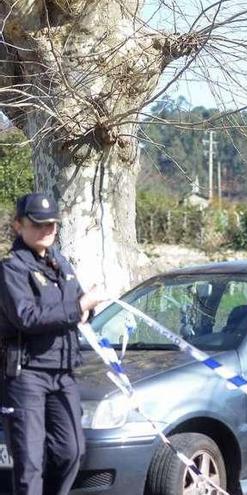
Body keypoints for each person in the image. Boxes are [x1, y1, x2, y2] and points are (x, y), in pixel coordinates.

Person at [0, 193, 106, 495]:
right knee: (30, 463)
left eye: (53, 225)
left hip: (63, 371)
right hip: (26, 375)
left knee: (71, 451)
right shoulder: (11, 269)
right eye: (39, 224)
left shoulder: (61, 263)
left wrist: (88, 308)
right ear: (19, 226)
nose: (48, 230)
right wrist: (78, 307)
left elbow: (78, 304)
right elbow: (27, 317)